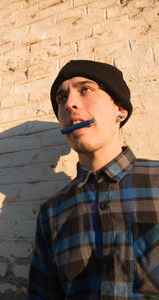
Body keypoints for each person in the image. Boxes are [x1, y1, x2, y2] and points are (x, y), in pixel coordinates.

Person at [28, 60, 159, 299]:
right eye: (61, 99)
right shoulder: (51, 213)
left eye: (85, 89)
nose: (69, 104)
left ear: (120, 108)